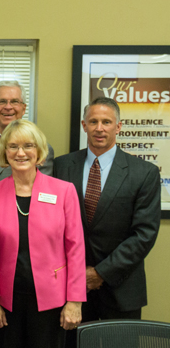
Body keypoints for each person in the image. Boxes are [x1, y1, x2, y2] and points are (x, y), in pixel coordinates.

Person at [54, 97, 160, 347]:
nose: (99, 128)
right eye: (93, 121)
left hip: (122, 287)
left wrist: (101, 273)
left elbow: (144, 234)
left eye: (106, 122)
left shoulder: (144, 172)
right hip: (71, 288)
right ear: (84, 125)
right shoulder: (61, 166)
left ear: (118, 126)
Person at [0, 119, 85, 348]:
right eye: (13, 146)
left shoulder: (64, 191)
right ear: (4, 152)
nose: (21, 153)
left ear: (38, 151)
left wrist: (75, 301)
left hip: (52, 301)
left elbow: (76, 249)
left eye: (28, 146)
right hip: (6, 302)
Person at [0, 80, 54, 196]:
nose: (8, 107)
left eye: (14, 102)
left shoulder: (38, 148)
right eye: (2, 102)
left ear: (23, 108)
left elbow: (40, 193)